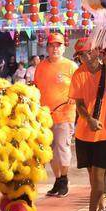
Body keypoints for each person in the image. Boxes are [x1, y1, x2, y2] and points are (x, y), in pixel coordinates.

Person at [70, 45, 106, 211]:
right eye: (82, 55)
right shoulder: (78, 74)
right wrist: (88, 119)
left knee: (98, 177)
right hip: (85, 133)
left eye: (90, 52)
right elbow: (79, 104)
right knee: (93, 177)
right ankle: (102, 209)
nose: (87, 57)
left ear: (97, 51)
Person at [35, 32, 77, 198]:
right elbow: (36, 89)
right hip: (45, 116)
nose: (55, 49)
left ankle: (64, 179)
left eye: (58, 46)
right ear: (47, 48)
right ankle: (58, 180)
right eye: (52, 45)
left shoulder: (71, 66)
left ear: (64, 48)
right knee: (51, 150)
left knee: (62, 147)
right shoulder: (41, 67)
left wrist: (74, 97)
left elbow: (79, 87)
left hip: (65, 114)